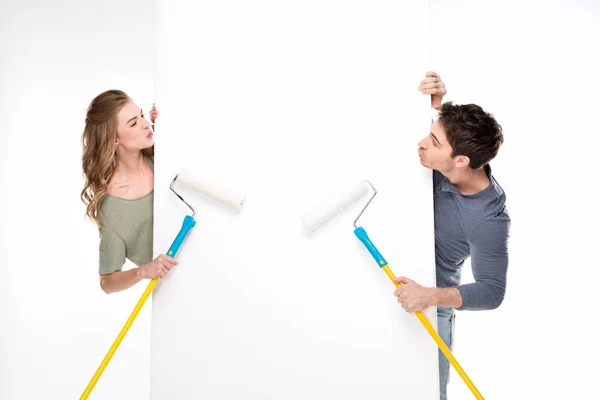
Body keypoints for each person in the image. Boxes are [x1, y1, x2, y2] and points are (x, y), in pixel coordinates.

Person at [393, 72, 510, 399]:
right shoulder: (446, 161)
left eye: (433, 142)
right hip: (393, 286)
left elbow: (492, 291)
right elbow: (439, 134)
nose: (421, 143)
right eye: (428, 135)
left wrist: (429, 296)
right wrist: (434, 105)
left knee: (430, 393)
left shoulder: (489, 219)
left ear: (461, 161)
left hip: (431, 308)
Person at [80, 90, 178, 294]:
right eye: (133, 123)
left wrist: (169, 120)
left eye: (142, 115)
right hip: (176, 288)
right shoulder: (112, 209)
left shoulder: (160, 157)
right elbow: (107, 282)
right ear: (114, 140)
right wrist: (143, 271)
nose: (145, 124)